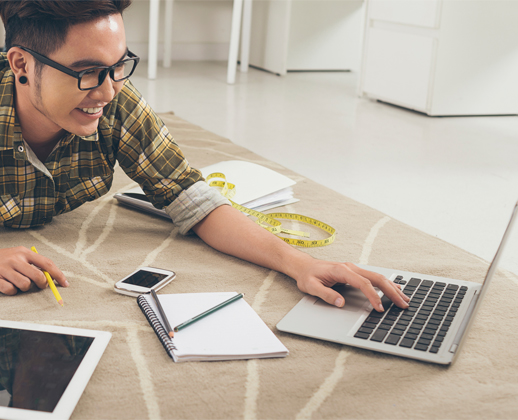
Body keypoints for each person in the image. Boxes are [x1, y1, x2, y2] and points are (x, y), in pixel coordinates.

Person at [0, 0, 409, 313]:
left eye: (118, 65)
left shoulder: (116, 105)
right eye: (87, 72)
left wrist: (298, 263)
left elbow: (191, 198)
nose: (108, 91)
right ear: (21, 63)